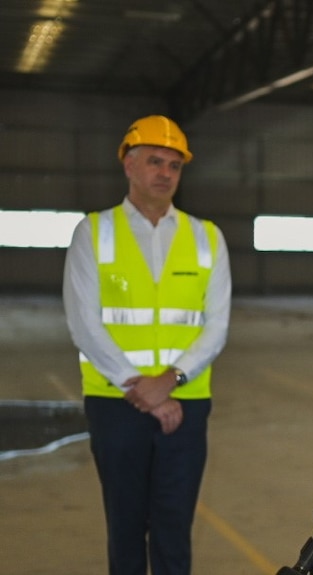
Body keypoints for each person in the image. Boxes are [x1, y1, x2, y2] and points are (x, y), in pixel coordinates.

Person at [63, 115, 232, 575]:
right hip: (117, 403)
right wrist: (139, 386)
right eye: (154, 161)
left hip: (186, 401)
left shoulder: (207, 237)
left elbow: (215, 326)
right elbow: (83, 322)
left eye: (174, 165)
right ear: (128, 165)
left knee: (174, 527)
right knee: (125, 526)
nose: (164, 173)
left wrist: (171, 381)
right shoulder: (93, 233)